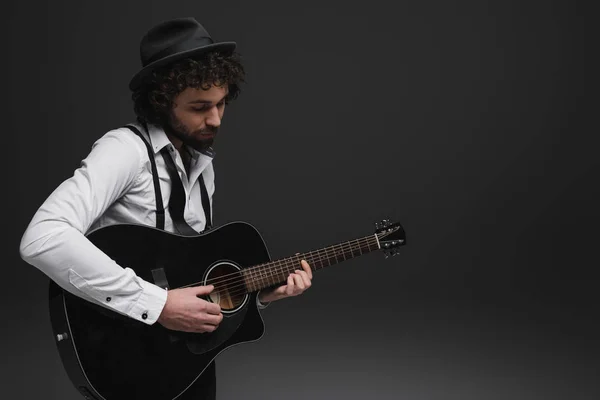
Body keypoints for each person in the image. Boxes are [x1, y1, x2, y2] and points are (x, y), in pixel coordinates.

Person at [19, 17, 313, 400]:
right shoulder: (124, 151)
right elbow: (42, 237)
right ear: (161, 101)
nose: (215, 119)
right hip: (125, 348)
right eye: (199, 107)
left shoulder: (200, 163)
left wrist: (259, 296)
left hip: (184, 357)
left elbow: (187, 272)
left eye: (222, 103)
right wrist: (157, 305)